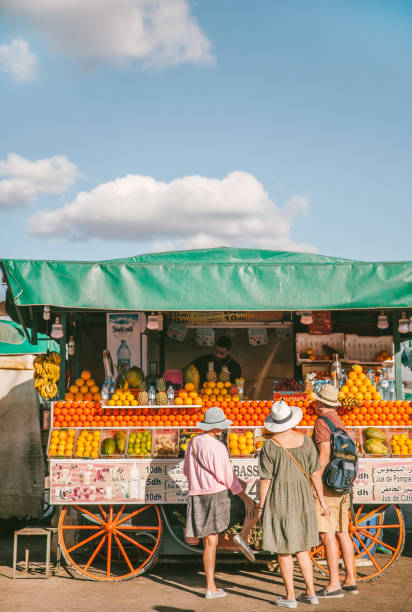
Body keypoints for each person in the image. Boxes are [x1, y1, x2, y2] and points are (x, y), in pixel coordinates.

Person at [258, 400, 329, 608]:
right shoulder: (306, 441)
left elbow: (265, 479)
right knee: (303, 548)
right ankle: (311, 592)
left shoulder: (269, 445)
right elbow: (315, 475)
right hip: (303, 497)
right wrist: (323, 502)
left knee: (284, 550)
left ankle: (290, 596)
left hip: (279, 497)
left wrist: (261, 507)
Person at [183, 406, 258, 599]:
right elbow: (228, 478)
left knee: (210, 541)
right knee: (255, 508)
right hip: (217, 495)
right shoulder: (217, 447)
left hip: (197, 495)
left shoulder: (193, 442)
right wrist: (245, 498)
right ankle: (243, 535)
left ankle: (210, 587)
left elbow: (186, 470)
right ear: (218, 427)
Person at [311, 383, 358, 598]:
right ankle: (350, 579)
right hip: (343, 483)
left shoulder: (322, 422)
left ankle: (333, 584)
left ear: (320, 402)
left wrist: (315, 481)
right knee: (343, 532)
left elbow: (324, 454)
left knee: (327, 533)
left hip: (329, 485)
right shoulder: (339, 422)